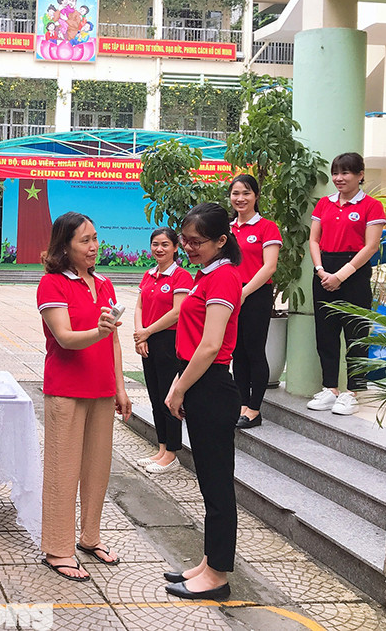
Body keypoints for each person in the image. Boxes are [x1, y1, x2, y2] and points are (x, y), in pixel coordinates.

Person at [36, 211, 132, 581]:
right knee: (63, 471)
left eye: (95, 238)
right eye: (85, 240)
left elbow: (114, 341)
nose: (94, 246)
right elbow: (64, 337)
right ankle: (58, 549)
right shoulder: (52, 284)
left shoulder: (104, 284)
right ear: (64, 246)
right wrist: (99, 331)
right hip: (66, 390)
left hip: (101, 389)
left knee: (96, 469)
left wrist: (120, 387)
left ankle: (90, 537)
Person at [163, 202, 242, 601]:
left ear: (221, 241)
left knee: (217, 486)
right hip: (197, 381)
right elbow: (193, 340)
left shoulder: (224, 277)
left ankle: (217, 576)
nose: (189, 247)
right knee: (209, 484)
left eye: (197, 242)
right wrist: (178, 382)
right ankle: (209, 562)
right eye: (185, 240)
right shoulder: (206, 274)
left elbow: (211, 346)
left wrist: (180, 388)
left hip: (211, 386)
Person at [307, 152, 385, 416]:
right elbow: (314, 240)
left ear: (360, 175)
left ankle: (353, 392)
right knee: (325, 333)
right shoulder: (324, 204)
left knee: (356, 334)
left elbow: (370, 246)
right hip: (323, 270)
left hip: (354, 272)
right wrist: (320, 270)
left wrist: (340, 276)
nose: (339, 178)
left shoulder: (371, 206)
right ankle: (330, 389)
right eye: (336, 173)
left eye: (346, 173)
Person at [132, 228, 193, 474]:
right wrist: (140, 334)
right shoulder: (148, 275)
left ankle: (172, 454)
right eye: (155, 244)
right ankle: (161, 448)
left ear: (176, 248)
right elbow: (139, 307)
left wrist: (147, 332)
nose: (159, 249)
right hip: (148, 340)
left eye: (165, 244)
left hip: (169, 341)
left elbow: (178, 312)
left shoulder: (181, 276)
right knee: (155, 396)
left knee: (169, 398)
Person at [228, 174, 281, 429]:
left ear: (256, 196)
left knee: (254, 351)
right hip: (229, 294)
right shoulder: (226, 229)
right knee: (236, 352)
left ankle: (255, 409)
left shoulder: (267, 227)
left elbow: (269, 266)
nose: (241, 198)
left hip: (256, 294)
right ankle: (241, 405)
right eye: (236, 193)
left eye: (246, 193)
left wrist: (245, 292)